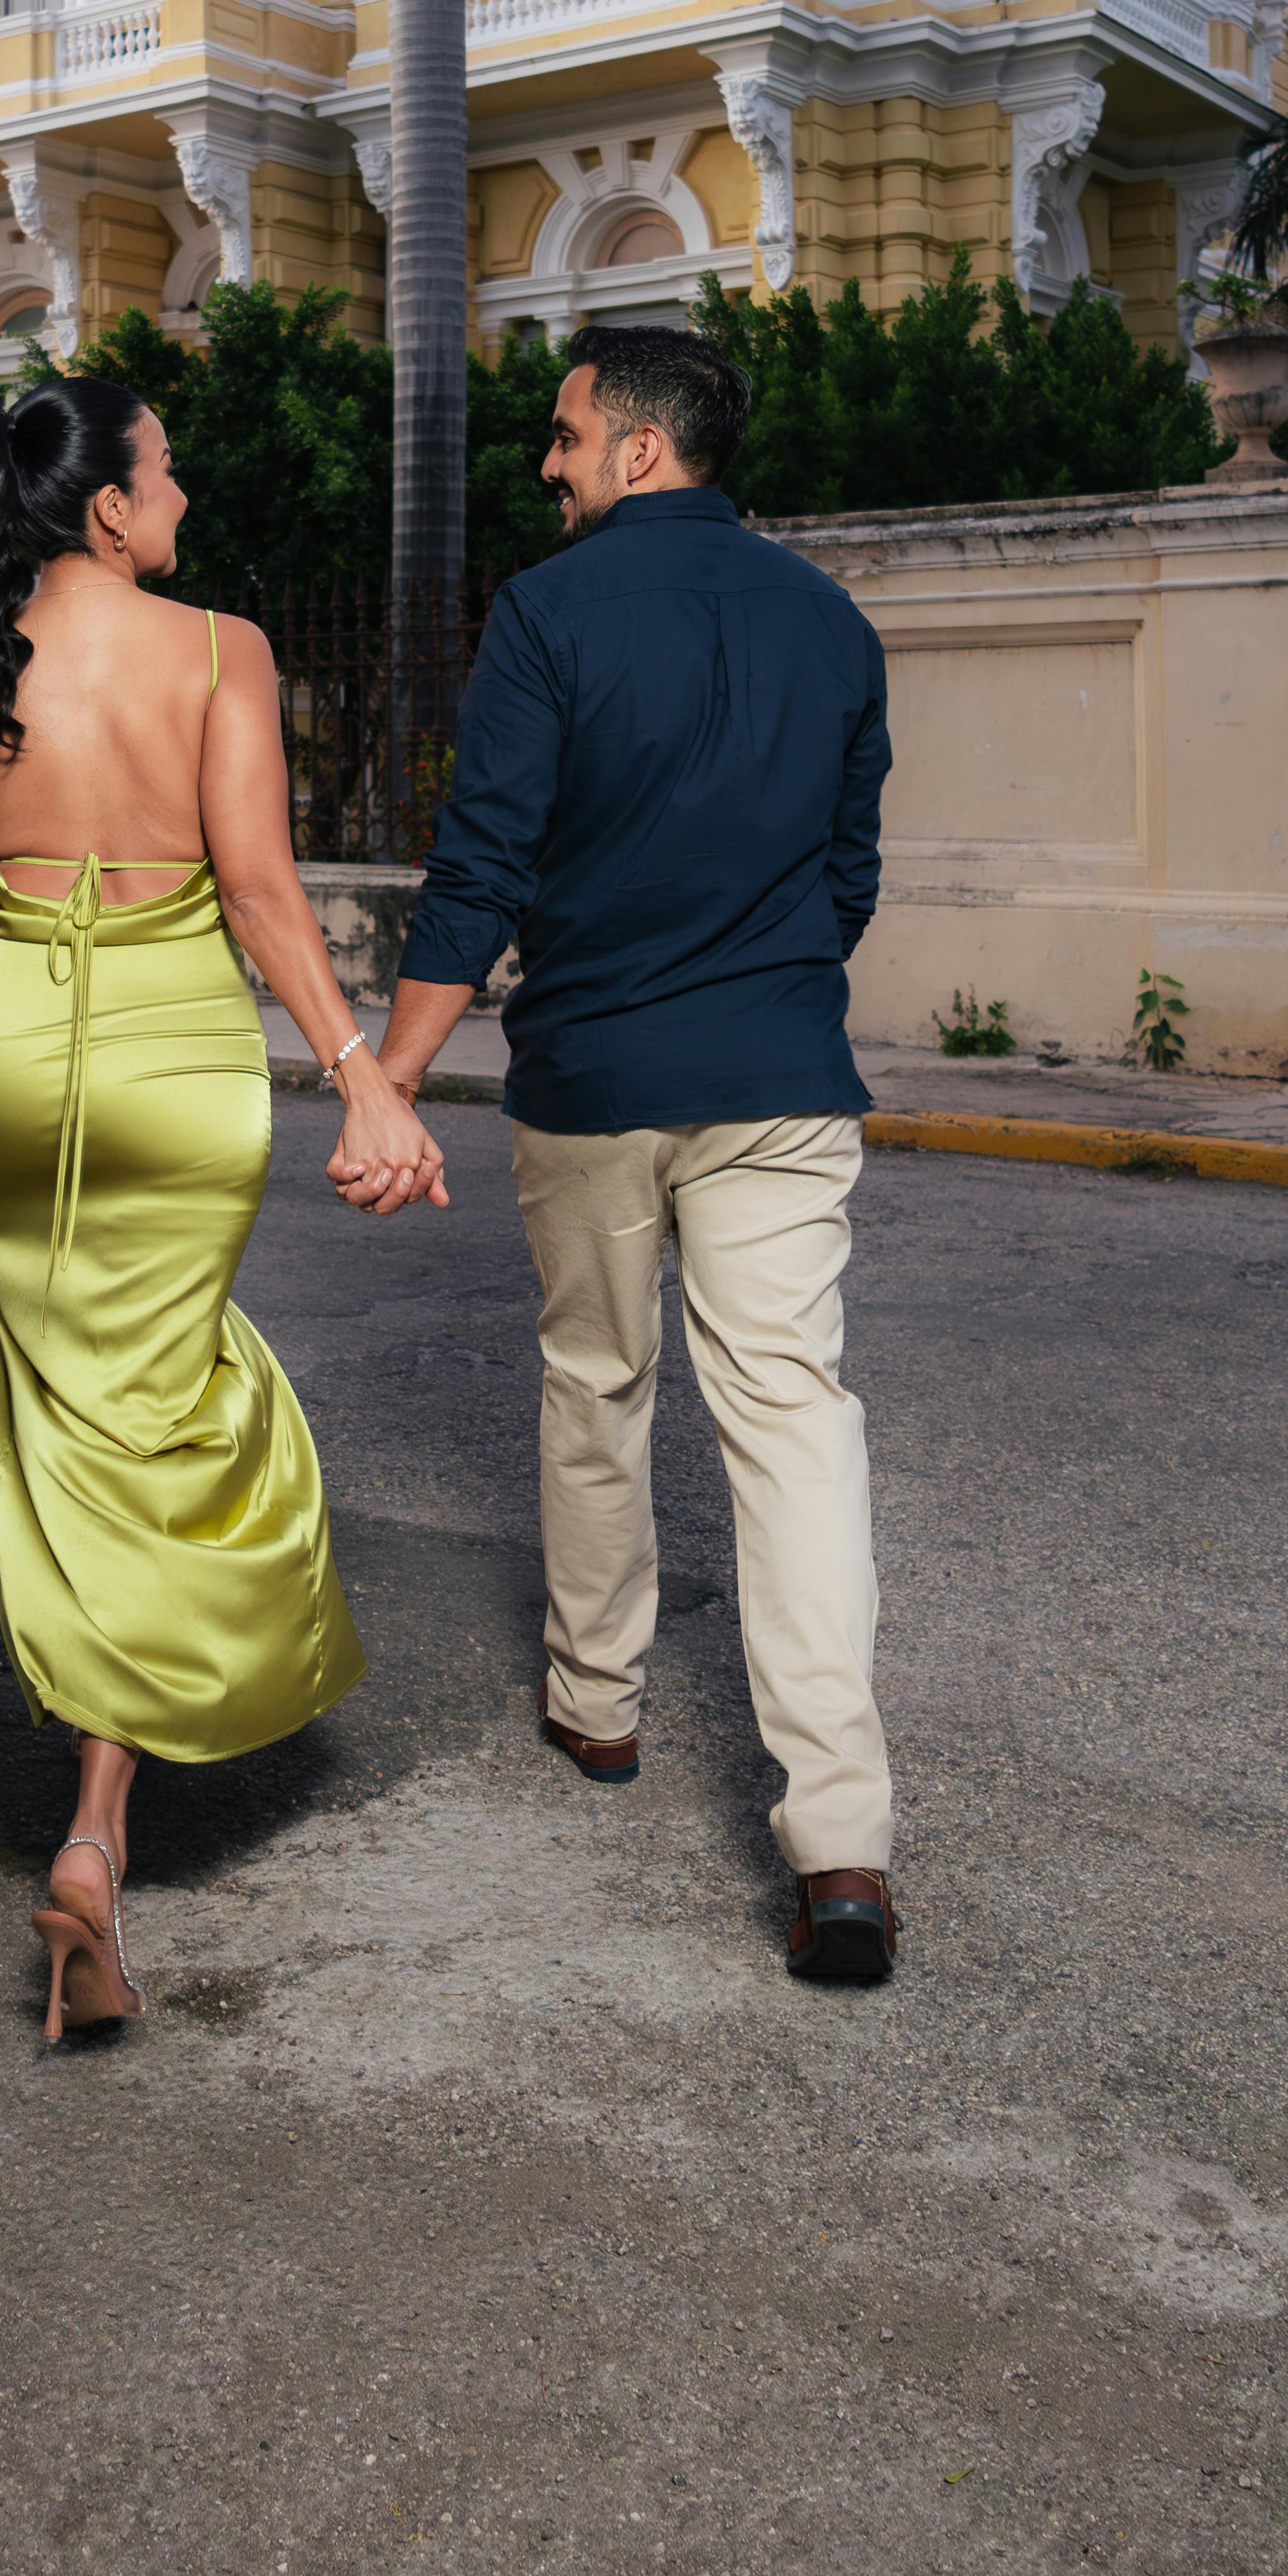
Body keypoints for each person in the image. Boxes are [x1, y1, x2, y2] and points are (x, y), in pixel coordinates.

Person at [0, 379, 446, 2040]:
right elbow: (258, 890)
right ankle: (97, 1833)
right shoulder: (221, 650)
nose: (182, 494)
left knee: (67, 1399)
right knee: (165, 1390)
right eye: (166, 470)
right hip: (178, 1063)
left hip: (8, 1062)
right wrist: (361, 1075)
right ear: (107, 505)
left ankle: (97, 1832)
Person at [358, 327, 900, 1983]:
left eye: (565, 433)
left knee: (598, 1380)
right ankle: (843, 1843)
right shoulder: (830, 618)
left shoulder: (546, 612)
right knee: (794, 1425)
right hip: (781, 1075)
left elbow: (481, 866)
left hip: (595, 1076)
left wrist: (391, 1076)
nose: (548, 460)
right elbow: (849, 871)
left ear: (640, 449)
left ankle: (597, 1700)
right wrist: (763, 984)